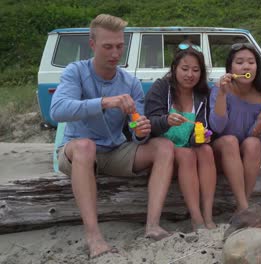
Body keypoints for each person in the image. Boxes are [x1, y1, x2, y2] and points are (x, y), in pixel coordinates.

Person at [50, 14, 174, 259]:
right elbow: (58, 110)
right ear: (93, 45)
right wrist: (105, 102)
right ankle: (94, 237)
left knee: (164, 147)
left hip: (115, 151)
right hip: (77, 152)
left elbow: (136, 126)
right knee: (85, 146)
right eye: (108, 46)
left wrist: (140, 132)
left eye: (120, 46)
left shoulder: (130, 82)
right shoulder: (76, 71)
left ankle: (152, 225)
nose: (115, 53)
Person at [144, 42, 217, 231]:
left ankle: (208, 215)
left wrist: (202, 136)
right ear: (175, 68)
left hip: (187, 146)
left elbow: (201, 128)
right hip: (162, 147)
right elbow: (150, 123)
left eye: (195, 70)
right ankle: (196, 218)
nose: (190, 75)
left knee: (207, 150)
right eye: (185, 69)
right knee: (186, 155)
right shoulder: (161, 87)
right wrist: (166, 120)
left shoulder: (202, 95)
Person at [209, 43, 261, 211]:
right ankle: (243, 205)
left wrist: (260, 123)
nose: (246, 66)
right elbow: (217, 127)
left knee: (254, 143)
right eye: (239, 62)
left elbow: (256, 136)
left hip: (244, 152)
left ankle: (243, 205)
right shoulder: (220, 88)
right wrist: (222, 95)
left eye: (251, 62)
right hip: (219, 150)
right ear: (230, 67)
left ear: (257, 67)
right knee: (230, 140)